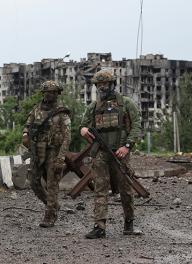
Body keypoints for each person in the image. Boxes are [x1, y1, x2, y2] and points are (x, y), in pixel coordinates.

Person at [80, 69, 142, 239]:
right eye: (99, 84)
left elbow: (137, 126)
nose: (102, 87)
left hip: (121, 152)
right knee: (100, 189)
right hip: (101, 152)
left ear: (112, 84)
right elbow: (83, 125)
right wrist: (83, 130)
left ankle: (129, 224)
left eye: (105, 84)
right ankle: (99, 227)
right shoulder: (93, 107)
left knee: (125, 189)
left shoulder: (126, 103)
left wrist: (127, 146)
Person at [22, 80, 71, 228]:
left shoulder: (62, 113)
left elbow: (67, 137)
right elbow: (28, 124)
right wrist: (25, 134)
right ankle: (53, 205)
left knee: (52, 184)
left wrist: (61, 158)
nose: (49, 95)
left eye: (52, 92)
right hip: (38, 151)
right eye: (46, 92)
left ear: (57, 94)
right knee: (34, 182)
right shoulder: (36, 110)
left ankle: (50, 215)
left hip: (53, 151)